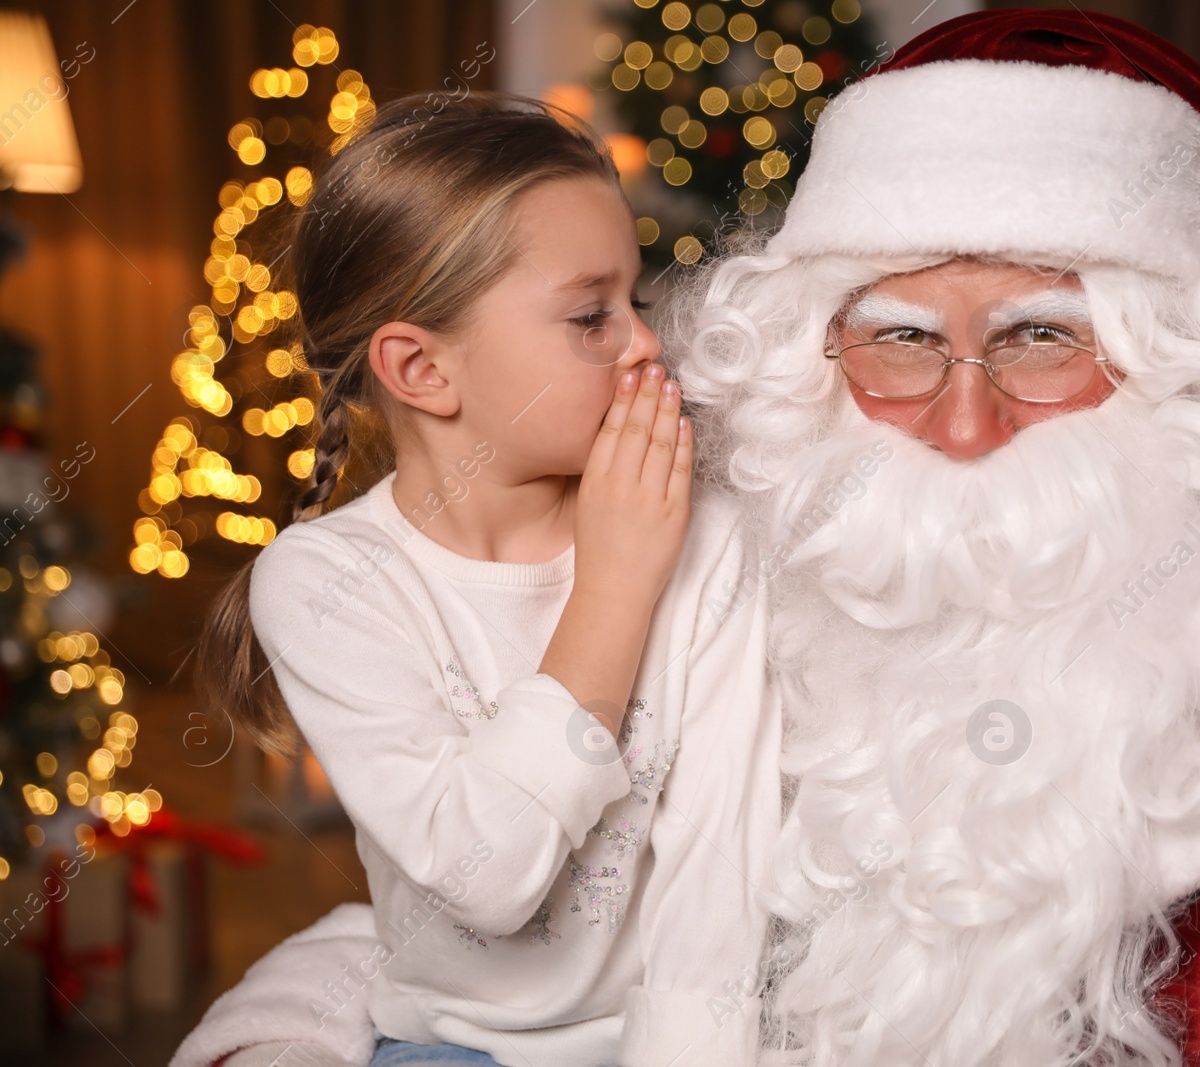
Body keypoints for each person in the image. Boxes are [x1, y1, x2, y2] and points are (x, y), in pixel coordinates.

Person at [178, 11, 1200, 1067]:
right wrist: (285, 1029)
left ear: (1182, 363)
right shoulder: (799, 523)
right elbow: (506, 895)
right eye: (902, 337)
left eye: (1041, 335)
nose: (962, 422)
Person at [183, 92, 778, 1067]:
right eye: (590, 314)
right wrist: (615, 587)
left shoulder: (706, 539)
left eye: (633, 297)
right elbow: (488, 873)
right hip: (451, 1045)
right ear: (420, 369)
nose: (643, 342)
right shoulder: (326, 582)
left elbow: (721, 869)